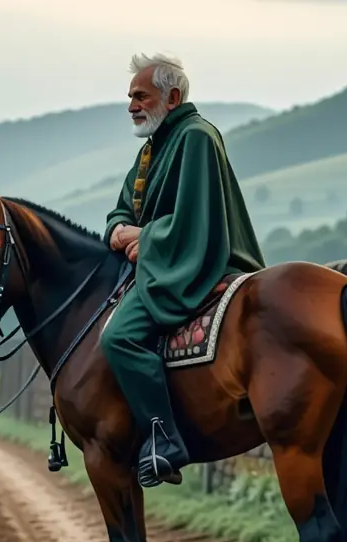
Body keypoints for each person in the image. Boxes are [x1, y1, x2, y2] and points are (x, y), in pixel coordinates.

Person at [101, 53, 267, 488]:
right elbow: (123, 209)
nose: (132, 106)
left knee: (119, 337)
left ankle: (165, 439)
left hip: (197, 261)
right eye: (130, 97)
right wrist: (119, 231)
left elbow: (196, 222)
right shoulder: (151, 148)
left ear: (172, 97)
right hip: (165, 256)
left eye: (141, 96)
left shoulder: (196, 136)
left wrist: (147, 238)